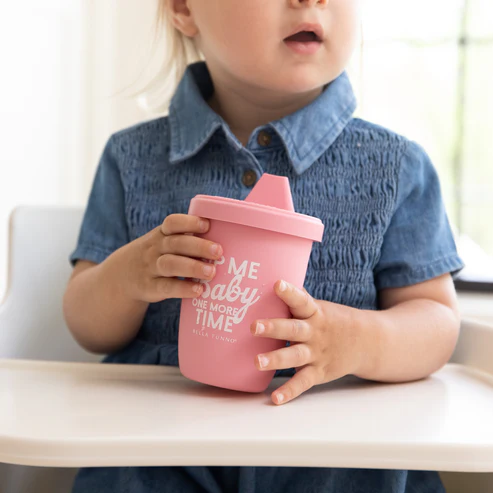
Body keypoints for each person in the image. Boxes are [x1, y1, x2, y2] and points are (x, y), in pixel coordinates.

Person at [63, 0, 465, 491]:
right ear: (185, 9)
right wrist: (128, 277)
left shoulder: (397, 166)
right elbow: (87, 325)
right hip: (156, 448)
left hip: (339, 454)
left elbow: (436, 322)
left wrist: (359, 340)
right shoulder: (130, 158)